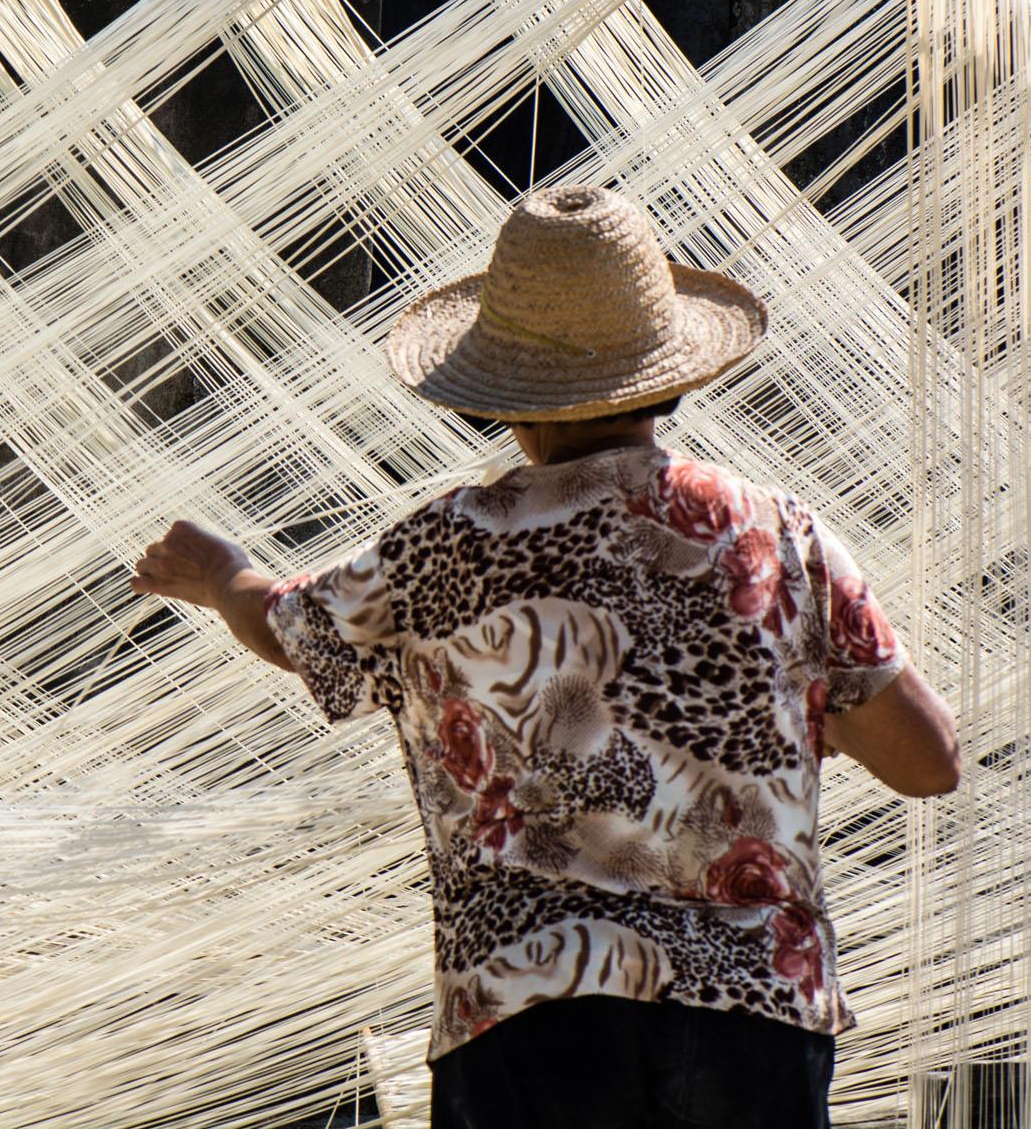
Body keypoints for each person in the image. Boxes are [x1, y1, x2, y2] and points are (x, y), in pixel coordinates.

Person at [132, 185, 959, 1128]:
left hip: (526, 1024)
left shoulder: (441, 550)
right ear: (669, 375)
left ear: (503, 401)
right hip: (749, 1021)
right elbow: (928, 760)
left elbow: (290, 628)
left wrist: (220, 571)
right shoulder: (781, 540)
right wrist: (785, 712)